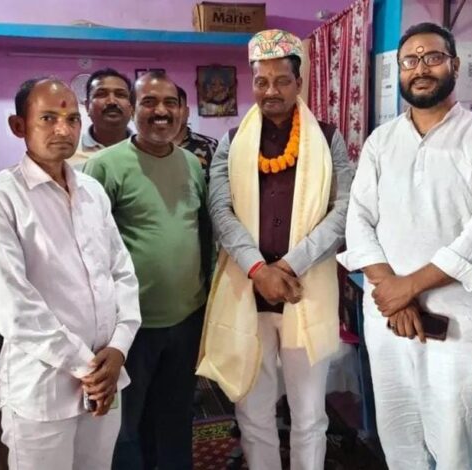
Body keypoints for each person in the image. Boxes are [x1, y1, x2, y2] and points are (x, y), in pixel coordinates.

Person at [338, 22, 472, 469]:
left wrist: (408, 287)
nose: (421, 69)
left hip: (453, 316)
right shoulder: (381, 141)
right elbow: (358, 219)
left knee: (454, 441)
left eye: (432, 57)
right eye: (410, 60)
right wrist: (391, 291)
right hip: (387, 317)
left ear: (454, 64)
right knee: (398, 438)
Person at [198, 29, 353, 470]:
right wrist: (257, 269)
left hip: (306, 290)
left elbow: (344, 209)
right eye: (261, 81)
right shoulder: (232, 142)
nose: (271, 91)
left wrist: (289, 264)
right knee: (252, 410)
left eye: (282, 80)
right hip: (247, 292)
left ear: (298, 83)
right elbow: (220, 209)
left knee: (310, 414)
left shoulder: (328, 138)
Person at [0, 77, 141, 470]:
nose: (63, 130)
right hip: (43, 389)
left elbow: (121, 273)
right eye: (48, 118)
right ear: (19, 126)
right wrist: (89, 369)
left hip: (106, 378)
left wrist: (119, 347)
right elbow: (13, 306)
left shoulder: (92, 191)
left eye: (72, 119)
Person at [84, 71, 212, 470]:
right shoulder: (104, 167)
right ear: (132, 109)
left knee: (175, 419)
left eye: (170, 103)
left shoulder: (192, 164)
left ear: (182, 111)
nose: (161, 112)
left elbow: (201, 232)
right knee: (125, 428)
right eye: (149, 102)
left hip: (186, 321)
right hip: (129, 328)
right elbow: (88, 250)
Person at [66, 68, 133, 168]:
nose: (112, 101)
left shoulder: (147, 151)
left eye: (120, 95)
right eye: (101, 94)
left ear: (132, 106)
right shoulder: (67, 153)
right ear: (87, 106)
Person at [173, 85, 218, 180]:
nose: (173, 112)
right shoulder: (148, 149)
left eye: (176, 105)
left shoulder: (211, 146)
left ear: (187, 111)